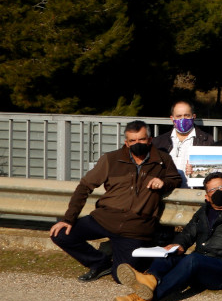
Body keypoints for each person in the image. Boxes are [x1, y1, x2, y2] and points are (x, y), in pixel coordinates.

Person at [114, 172, 222, 301]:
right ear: (207, 197)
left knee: (193, 259)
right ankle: (150, 279)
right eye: (212, 190)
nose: (217, 192)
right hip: (200, 265)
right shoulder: (203, 211)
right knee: (166, 255)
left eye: (221, 187)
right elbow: (188, 233)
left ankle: (145, 299)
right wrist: (179, 245)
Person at [50, 120, 182, 282]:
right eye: (132, 141)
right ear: (126, 143)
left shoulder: (163, 160)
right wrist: (68, 219)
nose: (137, 143)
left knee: (120, 277)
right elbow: (84, 186)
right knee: (61, 234)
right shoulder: (111, 159)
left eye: (141, 139)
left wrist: (164, 183)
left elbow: (175, 179)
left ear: (149, 139)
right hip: (104, 218)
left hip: (135, 227)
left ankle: (140, 259)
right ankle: (100, 263)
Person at [152, 99, 215, 187]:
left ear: (193, 116)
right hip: (166, 192)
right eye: (179, 116)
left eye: (187, 115)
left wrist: (198, 171)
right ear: (172, 118)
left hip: (194, 193)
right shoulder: (159, 142)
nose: (183, 119)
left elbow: (213, 170)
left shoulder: (206, 140)